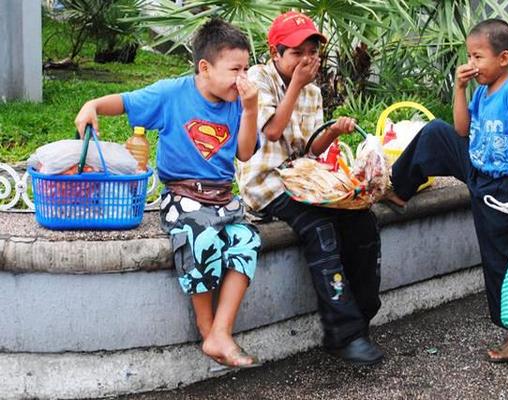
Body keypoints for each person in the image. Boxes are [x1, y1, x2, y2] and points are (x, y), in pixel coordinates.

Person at [74, 19, 262, 369]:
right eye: (236, 69)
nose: (243, 78)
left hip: (223, 199)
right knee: (200, 237)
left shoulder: (239, 102)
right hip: (183, 196)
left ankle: (222, 329)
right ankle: (208, 330)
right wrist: (93, 105)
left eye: (246, 68)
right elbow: (127, 101)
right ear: (205, 68)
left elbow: (246, 152)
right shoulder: (172, 94)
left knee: (247, 239)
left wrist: (250, 110)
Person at [386, 19, 508, 363]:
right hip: (476, 167)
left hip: (501, 185)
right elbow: (460, 129)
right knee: (437, 132)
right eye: (470, 56)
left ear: (503, 58)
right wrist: (458, 88)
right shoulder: (483, 90)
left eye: (478, 57)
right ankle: (399, 188)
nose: (472, 65)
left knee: (499, 258)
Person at [236, 11, 384, 366]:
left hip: (302, 178)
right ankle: (343, 334)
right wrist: (297, 86)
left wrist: (333, 131)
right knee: (320, 229)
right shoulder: (259, 79)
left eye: (313, 52)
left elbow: (310, 149)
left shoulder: (313, 92)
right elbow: (271, 131)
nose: (307, 60)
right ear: (275, 53)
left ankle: (360, 315)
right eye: (297, 52)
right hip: (266, 184)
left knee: (361, 220)